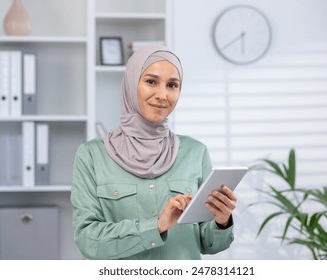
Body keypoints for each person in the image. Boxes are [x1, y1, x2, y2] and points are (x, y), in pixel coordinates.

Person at [71, 45, 237, 260]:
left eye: (172, 85)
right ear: (131, 84)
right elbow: (87, 240)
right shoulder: (92, 155)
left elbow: (209, 244)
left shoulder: (196, 152)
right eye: (151, 82)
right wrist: (157, 226)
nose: (162, 95)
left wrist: (222, 221)